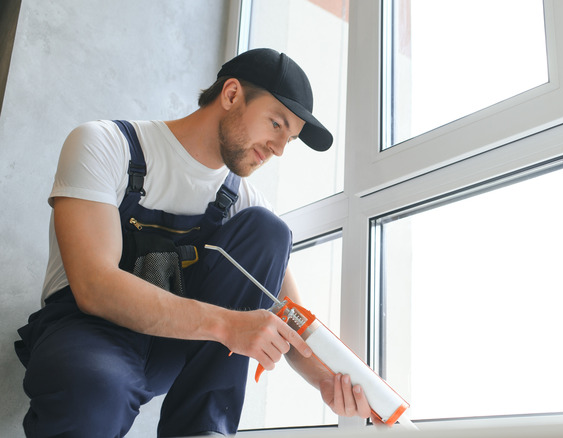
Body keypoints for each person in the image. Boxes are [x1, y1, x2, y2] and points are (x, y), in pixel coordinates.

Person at [15, 48, 373, 437]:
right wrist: (228, 325)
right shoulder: (105, 144)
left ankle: (203, 429)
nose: (279, 149)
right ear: (231, 94)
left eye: (290, 139)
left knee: (268, 229)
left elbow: (291, 317)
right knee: (97, 392)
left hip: (177, 345)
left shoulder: (243, 201)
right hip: (87, 335)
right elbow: (94, 287)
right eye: (276, 124)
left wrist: (327, 379)